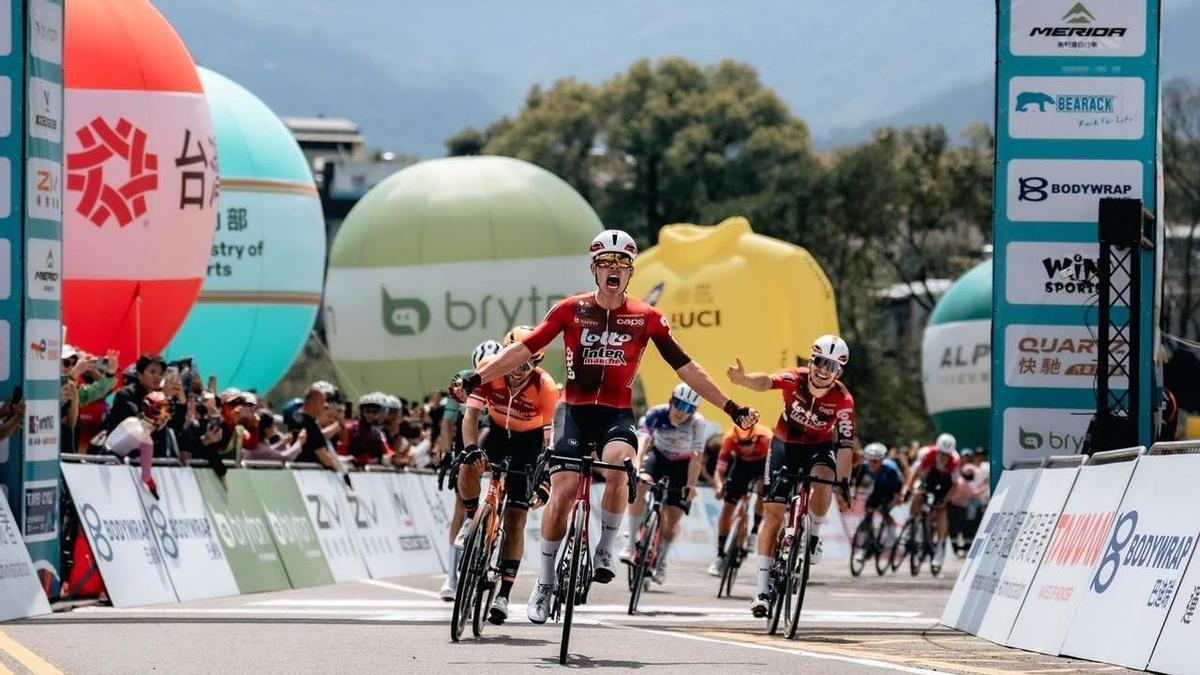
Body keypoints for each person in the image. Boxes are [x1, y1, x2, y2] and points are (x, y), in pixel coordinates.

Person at [451, 229, 757, 625]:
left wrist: (731, 407)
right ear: (593, 269)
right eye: (605, 263)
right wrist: (477, 379)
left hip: (615, 413)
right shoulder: (569, 309)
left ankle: (607, 549)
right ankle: (544, 584)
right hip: (574, 411)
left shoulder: (646, 317)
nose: (614, 269)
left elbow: (687, 368)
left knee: (620, 467)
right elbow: (522, 351)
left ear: (630, 272)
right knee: (561, 492)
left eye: (622, 264)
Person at [727, 334, 856, 618]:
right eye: (820, 362)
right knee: (773, 514)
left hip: (819, 449)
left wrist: (844, 482)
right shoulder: (796, 379)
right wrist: (745, 380)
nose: (824, 370)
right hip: (785, 445)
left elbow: (846, 445)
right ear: (812, 361)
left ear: (839, 372)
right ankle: (761, 591)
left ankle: (814, 536)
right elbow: (768, 381)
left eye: (831, 366)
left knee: (824, 481)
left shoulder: (843, 400)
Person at [457, 326, 558, 625]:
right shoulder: (490, 370)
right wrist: (471, 448)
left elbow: (550, 440)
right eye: (513, 361)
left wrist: (545, 478)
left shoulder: (545, 387)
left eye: (526, 364)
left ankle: (503, 593)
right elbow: (471, 415)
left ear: (537, 363)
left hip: (528, 445)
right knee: (467, 465)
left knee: (516, 519)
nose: (517, 370)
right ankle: (471, 517)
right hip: (498, 434)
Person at [622, 383, 707, 586]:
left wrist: (691, 486)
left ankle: (661, 561)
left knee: (673, 517)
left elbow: (697, 457)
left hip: (682, 465)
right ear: (671, 402)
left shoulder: (697, 424)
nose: (681, 411)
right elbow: (642, 443)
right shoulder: (656, 414)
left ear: (693, 411)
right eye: (678, 404)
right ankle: (630, 543)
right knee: (641, 485)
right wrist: (635, 467)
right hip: (658, 458)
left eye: (688, 408)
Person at [438, 340, 502, 602]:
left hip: (498, 435)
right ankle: (451, 577)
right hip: (469, 436)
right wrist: (445, 454)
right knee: (459, 506)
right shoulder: (465, 378)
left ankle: (489, 551)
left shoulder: (507, 377)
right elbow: (448, 423)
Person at [708, 422, 772, 576]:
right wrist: (718, 486)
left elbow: (772, 470)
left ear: (755, 438)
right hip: (742, 466)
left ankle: (755, 531)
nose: (745, 447)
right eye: (741, 444)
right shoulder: (730, 437)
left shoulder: (767, 438)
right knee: (728, 507)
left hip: (763, 464)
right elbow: (719, 470)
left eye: (748, 442)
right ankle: (720, 554)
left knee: (763, 490)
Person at [902, 432, 961, 566]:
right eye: (941, 453)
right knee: (918, 495)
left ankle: (939, 547)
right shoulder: (928, 454)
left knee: (942, 511)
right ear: (937, 449)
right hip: (931, 478)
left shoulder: (955, 461)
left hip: (946, 483)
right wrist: (909, 489)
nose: (943, 456)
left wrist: (945, 500)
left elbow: (955, 486)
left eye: (946, 454)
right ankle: (912, 523)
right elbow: (916, 473)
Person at [851, 442, 904, 565]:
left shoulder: (890, 469)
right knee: (869, 510)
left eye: (875, 461)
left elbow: (899, 486)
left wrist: (898, 498)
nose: (872, 464)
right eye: (870, 461)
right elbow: (857, 482)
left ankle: (891, 528)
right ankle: (864, 547)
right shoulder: (864, 466)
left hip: (891, 490)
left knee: (884, 510)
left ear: (881, 460)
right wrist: (854, 494)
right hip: (877, 489)